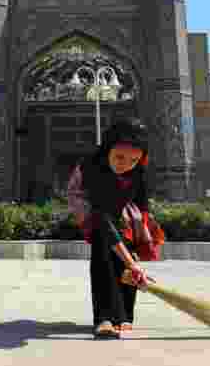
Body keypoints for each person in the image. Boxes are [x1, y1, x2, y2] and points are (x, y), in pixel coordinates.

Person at [81, 117, 157, 339]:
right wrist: (131, 263)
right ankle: (104, 318)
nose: (125, 164)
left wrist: (137, 255)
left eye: (133, 160)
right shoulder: (93, 167)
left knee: (127, 261)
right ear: (108, 150)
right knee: (103, 258)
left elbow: (142, 208)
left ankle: (124, 317)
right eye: (119, 157)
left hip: (125, 217)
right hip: (96, 215)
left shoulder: (138, 172)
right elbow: (102, 217)